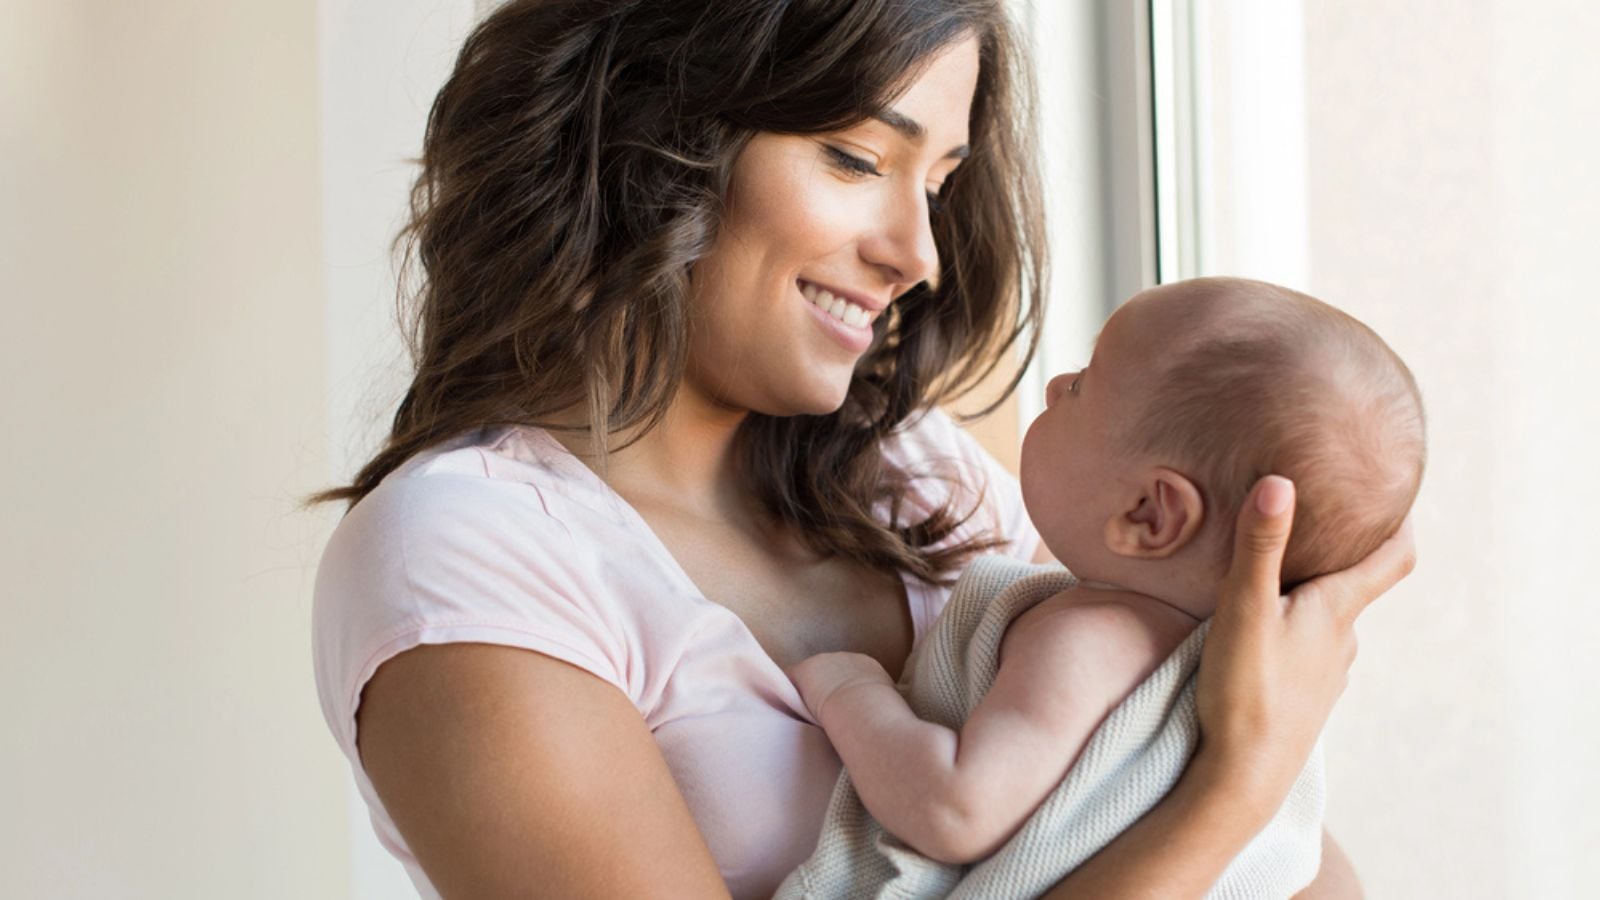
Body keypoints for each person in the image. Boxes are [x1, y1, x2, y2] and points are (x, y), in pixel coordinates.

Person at [308, 2, 1416, 898]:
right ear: (646, 137)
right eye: (852, 157)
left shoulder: (916, 474)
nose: (917, 253)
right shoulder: (469, 556)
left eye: (937, 182)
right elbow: (1209, 816)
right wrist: (1232, 784)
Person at [782, 277, 1426, 896]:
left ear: (1149, 515)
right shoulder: (1242, 682)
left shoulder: (1092, 639)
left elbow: (955, 810)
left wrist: (851, 689)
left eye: (1084, 386)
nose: (1057, 385)